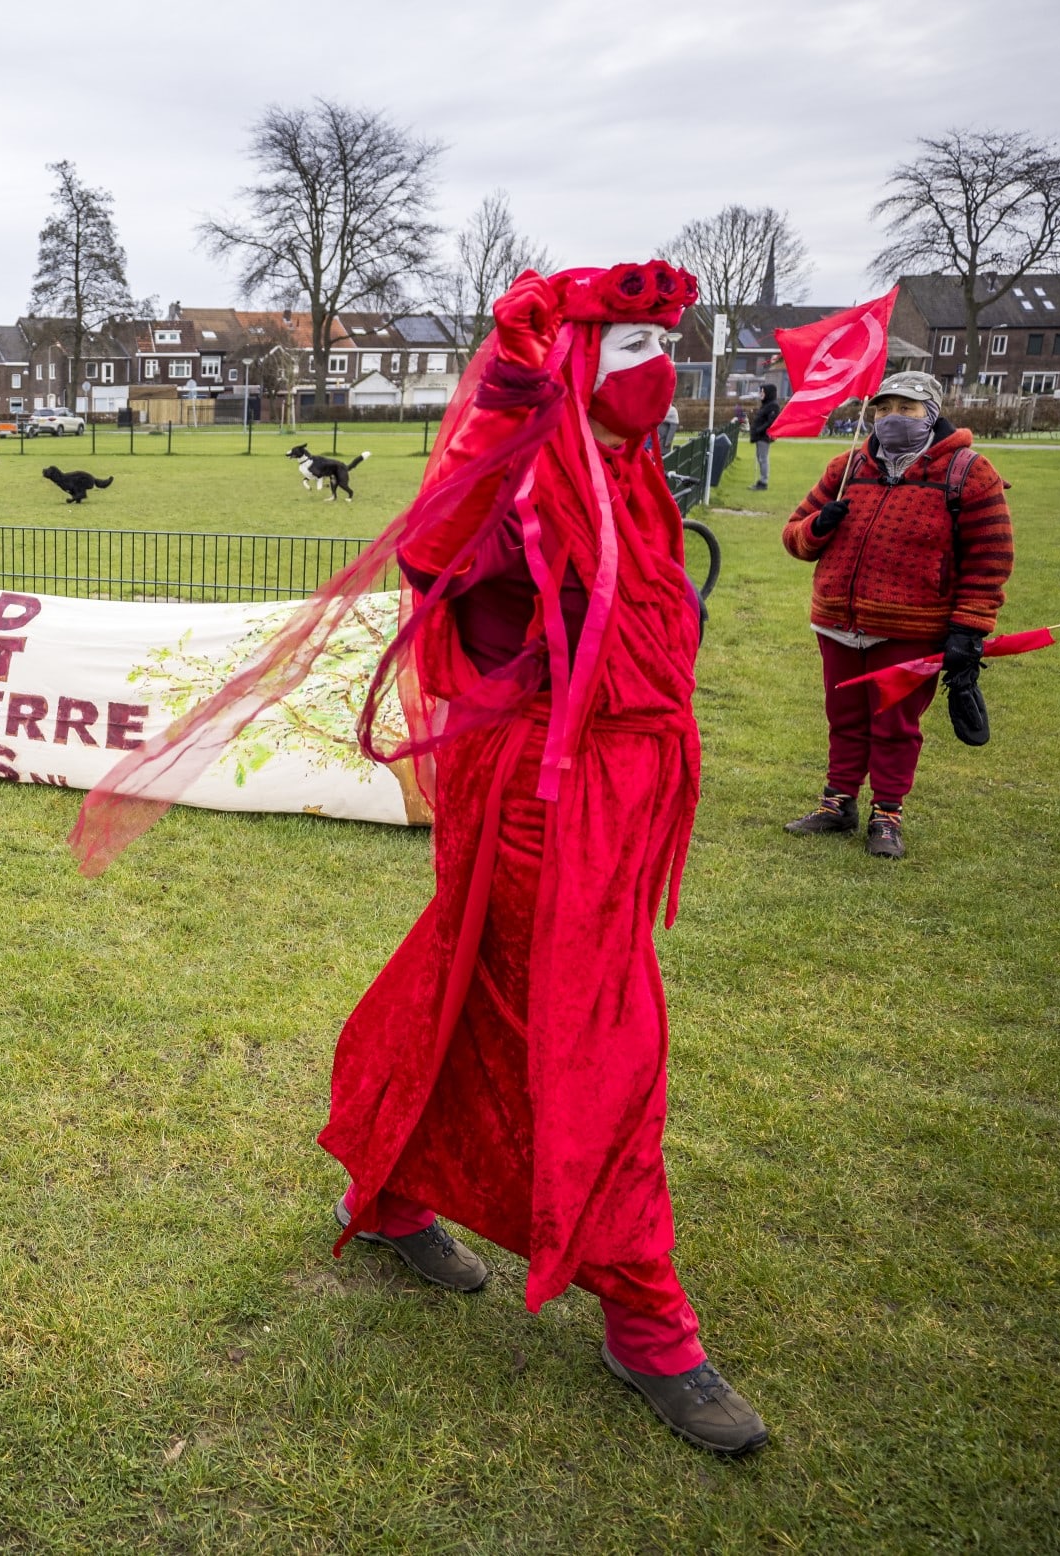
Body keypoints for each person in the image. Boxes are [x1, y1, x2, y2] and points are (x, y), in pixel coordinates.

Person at [73, 261, 765, 1455]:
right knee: (594, 1040)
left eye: (669, 344)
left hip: (611, 794)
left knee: (474, 994)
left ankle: (387, 1192)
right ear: (569, 366)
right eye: (632, 347)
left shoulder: (623, 467)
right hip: (540, 799)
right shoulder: (524, 470)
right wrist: (501, 394)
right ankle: (648, 1318)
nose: (659, 369)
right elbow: (435, 551)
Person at [779, 370, 1014, 859]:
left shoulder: (969, 473)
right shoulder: (848, 466)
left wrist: (969, 629)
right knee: (844, 717)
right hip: (838, 623)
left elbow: (989, 559)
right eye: (883, 408)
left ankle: (887, 814)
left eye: (905, 409)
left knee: (894, 724)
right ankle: (838, 803)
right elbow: (794, 536)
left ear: (930, 412)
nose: (891, 418)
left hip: (910, 628)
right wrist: (818, 527)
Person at [748, 382, 782, 489]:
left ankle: (763, 481)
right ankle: (762, 480)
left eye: (762, 391)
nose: (760, 394)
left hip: (763, 436)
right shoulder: (766, 405)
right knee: (760, 458)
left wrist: (759, 430)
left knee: (763, 458)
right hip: (759, 436)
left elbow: (770, 421)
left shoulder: (773, 406)